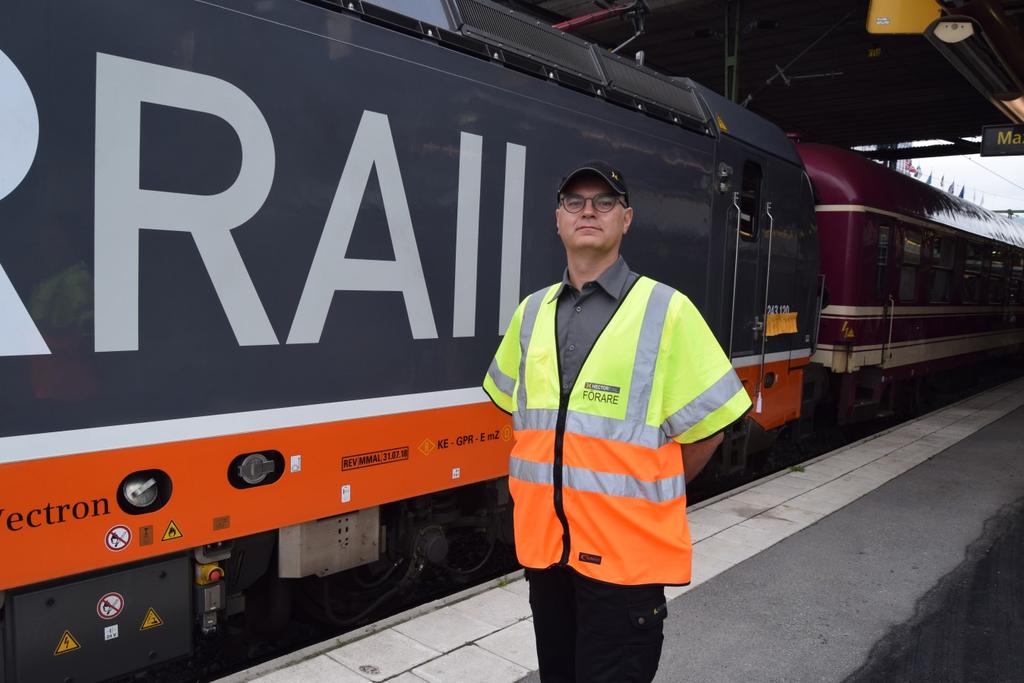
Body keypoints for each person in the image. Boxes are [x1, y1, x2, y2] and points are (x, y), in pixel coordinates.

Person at [482, 161, 751, 682]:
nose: (588, 211)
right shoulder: (531, 314)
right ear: (556, 220)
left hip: (626, 566)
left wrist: (650, 490)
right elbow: (525, 422)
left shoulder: (667, 311)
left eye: (604, 202)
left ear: (626, 219)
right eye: (574, 202)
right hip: (548, 561)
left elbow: (711, 427)